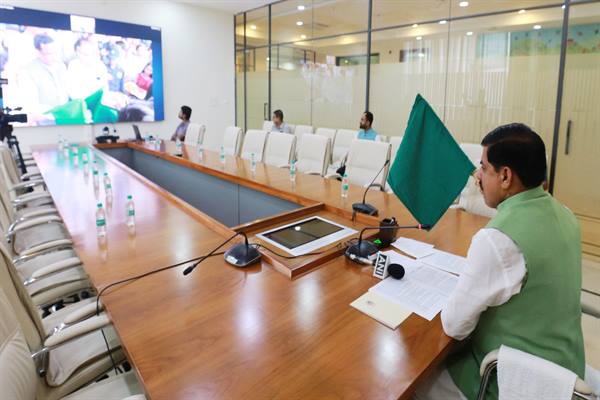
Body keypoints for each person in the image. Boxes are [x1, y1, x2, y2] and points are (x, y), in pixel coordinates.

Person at [415, 123, 585, 400]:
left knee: (413, 381)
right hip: (567, 376)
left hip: (514, 383)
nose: (477, 177)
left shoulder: (497, 240)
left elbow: (455, 326)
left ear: (505, 176)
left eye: (483, 168)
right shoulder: (566, 214)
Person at [18, 33, 69, 114]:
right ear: (38, 53)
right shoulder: (27, 72)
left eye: (55, 52)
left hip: (66, 114)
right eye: (49, 53)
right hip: (45, 117)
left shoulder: (61, 66)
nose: (54, 56)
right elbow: (31, 105)